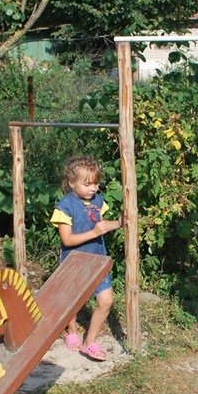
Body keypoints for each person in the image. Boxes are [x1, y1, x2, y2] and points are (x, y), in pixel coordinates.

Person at [51, 155, 122, 362]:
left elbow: (102, 226)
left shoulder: (98, 201)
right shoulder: (65, 207)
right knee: (72, 301)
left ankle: (90, 341)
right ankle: (72, 330)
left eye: (96, 183)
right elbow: (67, 239)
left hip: (97, 260)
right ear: (72, 183)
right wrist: (94, 232)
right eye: (87, 184)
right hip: (74, 262)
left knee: (106, 301)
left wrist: (119, 222)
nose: (93, 188)